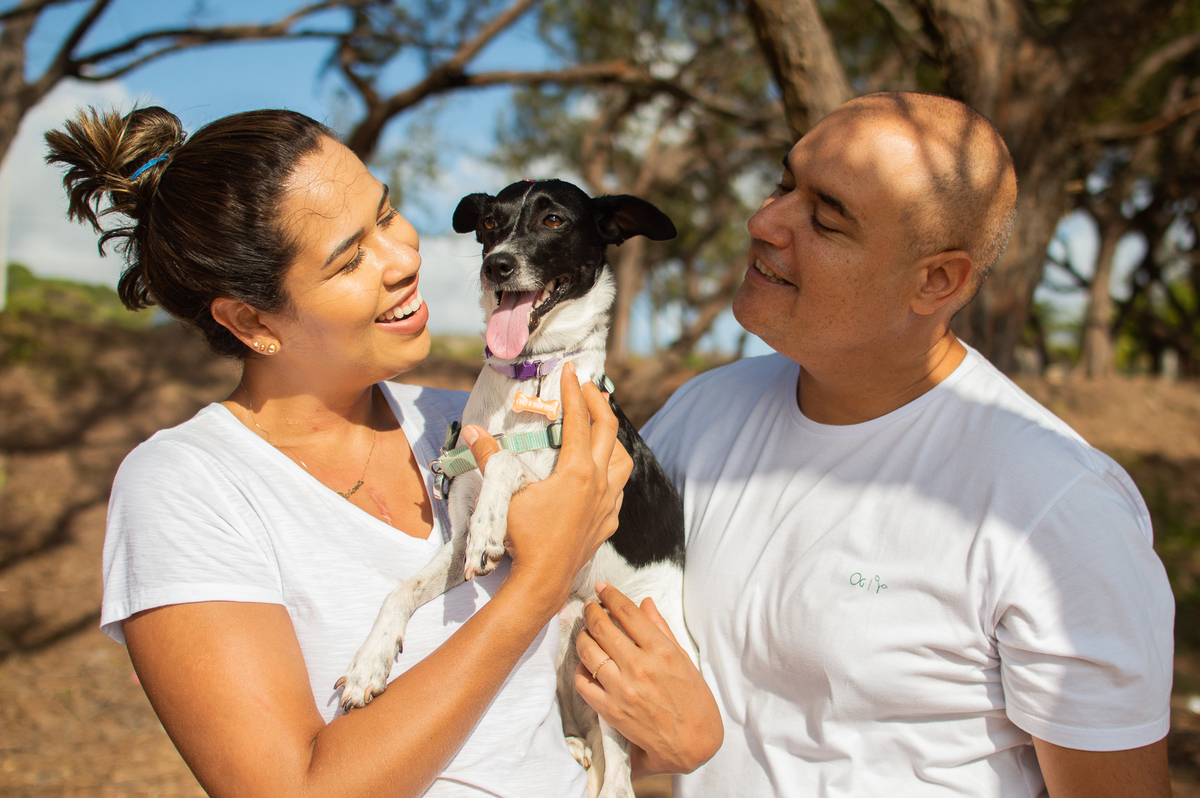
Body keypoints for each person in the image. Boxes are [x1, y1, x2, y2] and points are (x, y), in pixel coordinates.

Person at [573, 91, 1175, 797]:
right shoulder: (706, 411)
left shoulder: (1056, 508)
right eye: (782, 184)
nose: (764, 221)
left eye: (826, 220)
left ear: (937, 280)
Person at [46, 105, 632, 798]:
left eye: (386, 214)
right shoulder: (187, 487)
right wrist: (535, 586)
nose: (404, 258)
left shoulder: (469, 418)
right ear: (250, 319)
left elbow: (536, 730)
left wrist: (686, 735)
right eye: (351, 257)